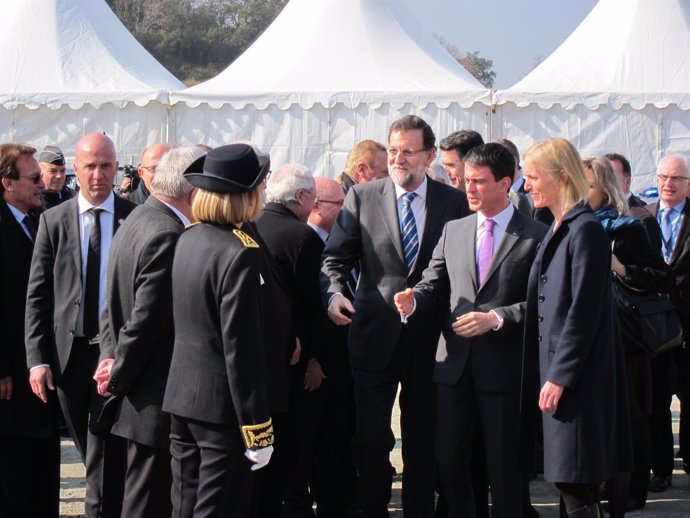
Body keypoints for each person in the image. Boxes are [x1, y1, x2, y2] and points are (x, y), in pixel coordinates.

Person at [322, 115, 470, 517]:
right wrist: (334, 294)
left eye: (408, 151)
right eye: (393, 150)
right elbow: (335, 258)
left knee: (423, 439)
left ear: (428, 156)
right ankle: (372, 509)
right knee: (371, 439)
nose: (398, 158)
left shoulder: (453, 202)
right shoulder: (362, 197)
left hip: (430, 341)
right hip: (372, 336)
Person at [393, 143, 548, 518]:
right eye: (467, 181)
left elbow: (545, 304)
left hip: (504, 370)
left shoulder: (537, 235)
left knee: (505, 469)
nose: (470, 189)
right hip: (454, 369)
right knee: (448, 461)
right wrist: (414, 300)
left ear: (506, 183)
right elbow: (434, 283)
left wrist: (496, 319)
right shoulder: (455, 229)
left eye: (479, 182)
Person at [25, 133, 135, 518]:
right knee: (89, 451)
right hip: (68, 357)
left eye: (107, 166)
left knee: (104, 452)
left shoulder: (133, 217)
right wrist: (37, 359)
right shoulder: (53, 221)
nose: (99, 175)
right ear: (76, 169)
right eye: (91, 166)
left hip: (117, 354)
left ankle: (101, 509)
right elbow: (37, 296)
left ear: (117, 167)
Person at [522, 138, 632, 518]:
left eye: (534, 177)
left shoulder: (584, 230)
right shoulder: (560, 227)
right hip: (561, 375)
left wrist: (559, 377)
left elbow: (583, 313)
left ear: (562, 177)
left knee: (575, 479)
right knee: (570, 479)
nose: (526, 185)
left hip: (577, 380)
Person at [163, 144, 274, 518]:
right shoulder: (240, 251)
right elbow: (240, 348)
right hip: (222, 411)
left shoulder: (189, 237)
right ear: (246, 196)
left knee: (185, 508)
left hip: (182, 398)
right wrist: (258, 429)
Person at [92, 146, 202, 517]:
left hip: (135, 391)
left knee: (139, 497)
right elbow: (146, 320)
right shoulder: (169, 233)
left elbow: (110, 306)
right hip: (152, 397)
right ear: (192, 189)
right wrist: (117, 371)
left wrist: (110, 358)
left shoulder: (136, 219)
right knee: (148, 502)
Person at [583, 156, 673, 514]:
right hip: (588, 337)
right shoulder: (570, 224)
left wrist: (621, 268)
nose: (580, 191)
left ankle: (633, 491)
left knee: (630, 417)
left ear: (604, 188)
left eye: (587, 185)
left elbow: (660, 277)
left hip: (625, 338)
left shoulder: (628, 227)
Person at [255, 165, 332, 518]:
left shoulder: (254, 228)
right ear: (300, 198)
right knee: (298, 441)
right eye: (313, 196)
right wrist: (316, 358)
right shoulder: (303, 238)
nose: (315, 203)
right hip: (300, 359)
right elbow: (315, 305)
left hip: (266, 357)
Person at [0, 144, 60, 518]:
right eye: (34, 178)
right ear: (7, 183)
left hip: (37, 368)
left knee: (40, 469)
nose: (43, 184)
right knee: (12, 472)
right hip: (9, 378)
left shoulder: (38, 221)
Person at [646, 155, 690, 492]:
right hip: (654, 327)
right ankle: (660, 468)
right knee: (657, 400)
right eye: (663, 176)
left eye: (676, 178)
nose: (668, 184)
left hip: (688, 324)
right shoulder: (643, 217)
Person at [39, 145, 76, 209]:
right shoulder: (33, 201)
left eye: (62, 171)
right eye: (53, 171)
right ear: (40, 172)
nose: (59, 176)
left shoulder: (73, 198)